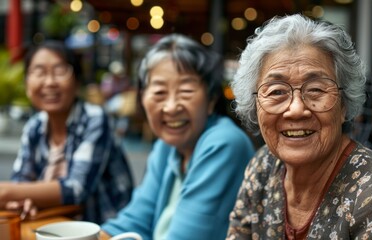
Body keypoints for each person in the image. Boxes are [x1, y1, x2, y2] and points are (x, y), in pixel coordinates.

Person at [226, 14, 372, 239]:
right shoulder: (263, 166)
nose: (296, 109)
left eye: (316, 90)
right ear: (256, 107)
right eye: (277, 92)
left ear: (343, 105)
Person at [100, 34, 255, 240]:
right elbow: (134, 221)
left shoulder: (224, 143)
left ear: (211, 100)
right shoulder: (167, 147)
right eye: (159, 93)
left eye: (186, 91)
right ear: (143, 100)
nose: (171, 107)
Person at [0, 40, 134, 224]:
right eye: (39, 72)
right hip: (48, 226)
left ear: (77, 80)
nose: (49, 82)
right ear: (27, 83)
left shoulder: (95, 118)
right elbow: (21, 181)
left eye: (60, 71)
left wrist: (7, 193)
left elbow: (76, 188)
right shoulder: (34, 126)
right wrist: (20, 199)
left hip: (102, 230)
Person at [100, 61, 132, 140]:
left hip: (122, 105)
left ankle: (120, 131)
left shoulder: (124, 80)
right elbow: (105, 93)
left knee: (124, 114)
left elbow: (127, 90)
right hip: (110, 103)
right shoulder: (107, 79)